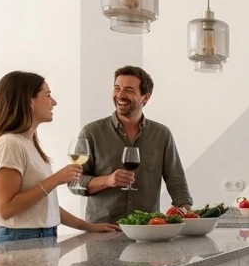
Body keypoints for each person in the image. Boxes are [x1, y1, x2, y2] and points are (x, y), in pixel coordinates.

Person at [0, 71, 119, 243]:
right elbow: (6, 209)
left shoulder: (27, 144)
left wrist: (87, 226)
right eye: (48, 95)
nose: (54, 102)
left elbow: (44, 207)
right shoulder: (9, 144)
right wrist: (56, 179)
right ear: (29, 101)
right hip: (21, 239)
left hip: (39, 237)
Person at [72, 66, 193, 224]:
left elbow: (176, 180)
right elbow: (74, 182)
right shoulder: (91, 132)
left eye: (128, 90)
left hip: (147, 229)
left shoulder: (161, 134)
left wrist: (187, 214)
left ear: (145, 97)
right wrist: (107, 180)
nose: (120, 95)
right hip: (103, 230)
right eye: (117, 88)